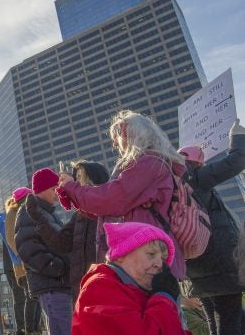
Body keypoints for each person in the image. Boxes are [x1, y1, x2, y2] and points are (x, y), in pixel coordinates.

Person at [57, 110, 187, 279]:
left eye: (116, 136)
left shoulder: (148, 163)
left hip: (147, 257)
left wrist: (73, 188)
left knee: (154, 305)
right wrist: (72, 191)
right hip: (142, 254)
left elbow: (110, 200)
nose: (114, 145)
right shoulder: (147, 164)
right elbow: (108, 207)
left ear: (130, 133)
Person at [73, 221, 201, 335]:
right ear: (121, 255)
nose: (160, 264)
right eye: (151, 254)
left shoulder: (144, 293)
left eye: (163, 258)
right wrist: (165, 298)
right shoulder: (100, 289)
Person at [178, 118, 245, 335]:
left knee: (215, 320)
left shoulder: (176, 185)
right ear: (197, 163)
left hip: (196, 268)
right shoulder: (195, 178)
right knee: (230, 317)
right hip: (219, 264)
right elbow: (237, 160)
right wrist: (237, 136)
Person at [16, 168, 73, 335]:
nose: (58, 192)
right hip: (51, 285)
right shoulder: (30, 212)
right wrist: (56, 267)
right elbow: (26, 247)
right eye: (54, 188)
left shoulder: (48, 213)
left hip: (59, 285)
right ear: (43, 189)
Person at [30, 161, 109, 302]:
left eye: (80, 177)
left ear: (94, 180)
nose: (75, 182)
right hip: (80, 289)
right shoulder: (78, 215)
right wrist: (39, 219)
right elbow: (62, 243)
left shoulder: (109, 210)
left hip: (105, 285)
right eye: (75, 177)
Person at [1, 188, 46, 335]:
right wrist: (29, 258)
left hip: (34, 264)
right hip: (24, 266)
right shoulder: (13, 214)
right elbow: (12, 240)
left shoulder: (27, 212)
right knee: (31, 297)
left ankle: (36, 333)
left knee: (37, 297)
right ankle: (29, 334)